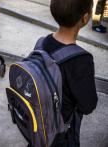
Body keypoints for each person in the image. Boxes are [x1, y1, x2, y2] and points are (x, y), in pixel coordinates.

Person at [29, 0, 98, 147]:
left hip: (38, 124)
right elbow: (88, 105)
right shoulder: (82, 60)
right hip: (60, 134)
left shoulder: (41, 43)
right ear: (85, 18)